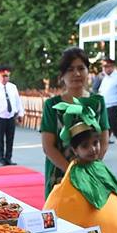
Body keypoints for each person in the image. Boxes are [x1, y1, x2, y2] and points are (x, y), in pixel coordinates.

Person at [44, 99, 117, 233]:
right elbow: (60, 202)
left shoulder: (100, 169)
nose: (93, 149)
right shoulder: (74, 174)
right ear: (74, 150)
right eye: (85, 146)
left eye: (95, 143)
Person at [40, 47, 109, 198]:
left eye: (81, 68)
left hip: (90, 174)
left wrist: (90, 169)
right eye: (70, 69)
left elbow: (104, 140)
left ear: (88, 71)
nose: (76, 73)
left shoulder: (98, 102)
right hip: (60, 176)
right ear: (62, 75)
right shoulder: (52, 105)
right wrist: (72, 172)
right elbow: (48, 147)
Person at [0, 66, 24, 165]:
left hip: (11, 116)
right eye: (2, 76)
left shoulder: (13, 87)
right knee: (0, 139)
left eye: (6, 76)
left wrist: (20, 113)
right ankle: (1, 158)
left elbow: (18, 101)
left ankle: (8, 158)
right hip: (0, 117)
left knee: (10, 138)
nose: (4, 78)